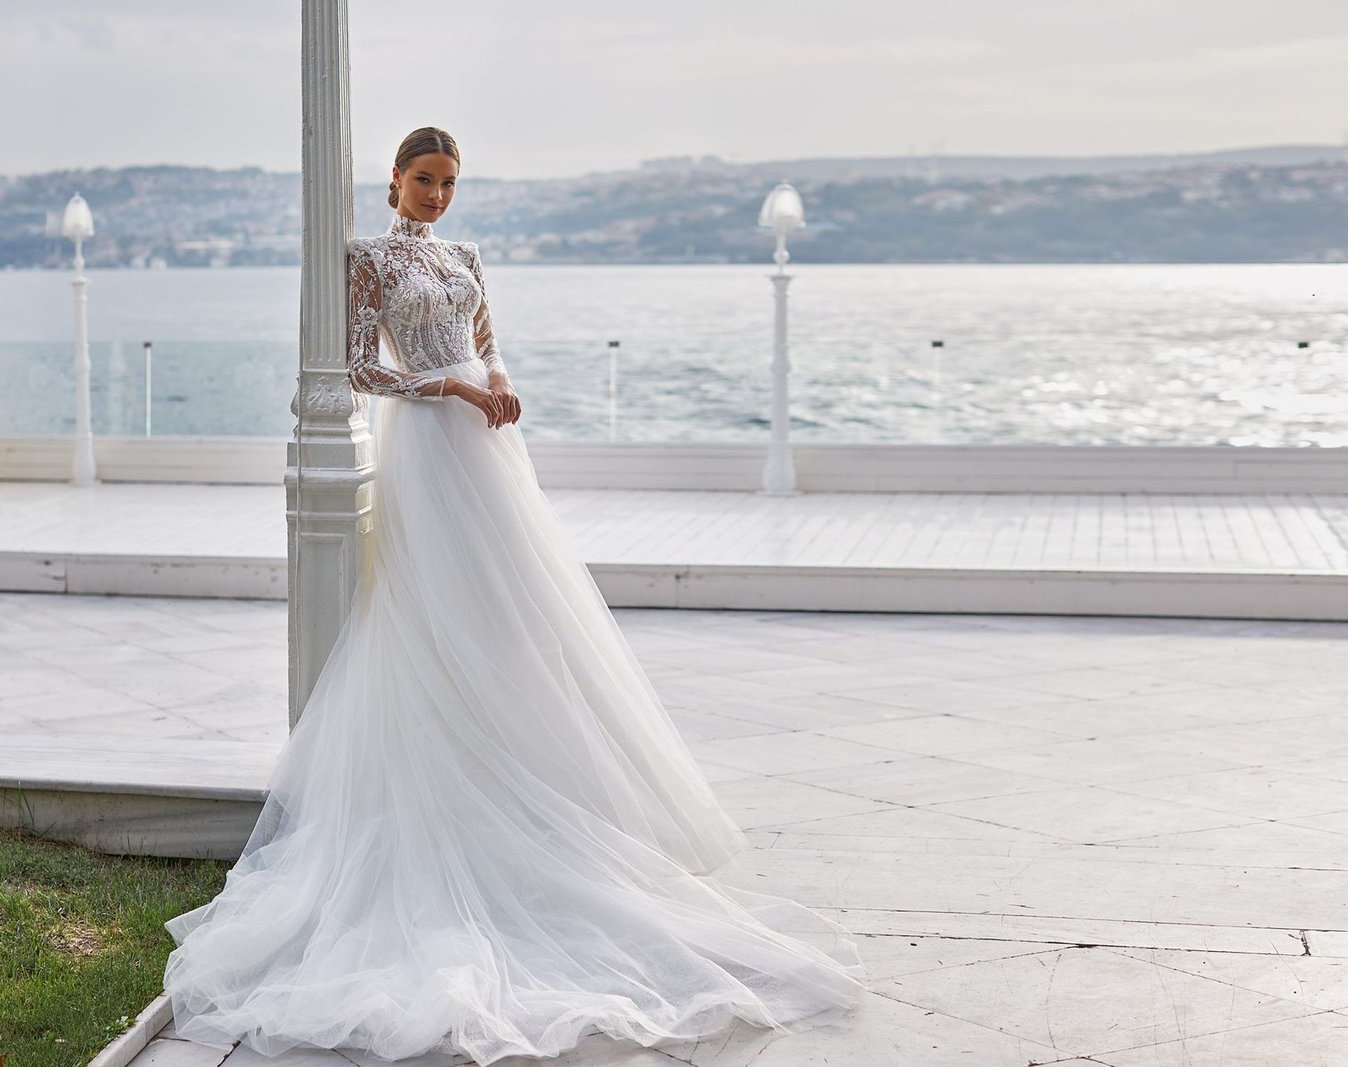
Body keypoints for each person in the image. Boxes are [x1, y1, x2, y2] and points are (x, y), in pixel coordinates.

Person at [161, 126, 866, 1064]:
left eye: (450, 182)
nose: (438, 196)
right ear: (394, 183)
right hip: (427, 441)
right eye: (424, 181)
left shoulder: (465, 255)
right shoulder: (368, 260)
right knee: (431, 610)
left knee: (514, 615)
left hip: (488, 448)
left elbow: (493, 346)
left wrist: (495, 381)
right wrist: (442, 387)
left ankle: (534, 786)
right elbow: (355, 367)